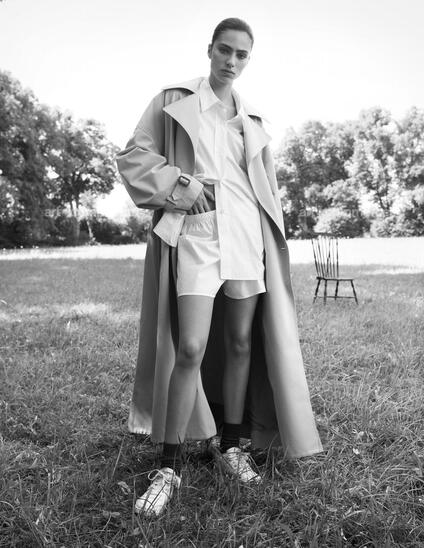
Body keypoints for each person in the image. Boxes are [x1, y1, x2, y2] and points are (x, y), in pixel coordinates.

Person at [115, 17, 323, 516]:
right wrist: (183, 186)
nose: (231, 61)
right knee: (190, 346)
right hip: (198, 237)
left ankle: (232, 446)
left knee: (241, 342)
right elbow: (134, 157)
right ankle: (168, 467)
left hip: (246, 238)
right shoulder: (174, 101)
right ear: (210, 49)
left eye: (241, 54)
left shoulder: (253, 120)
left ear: (249, 59)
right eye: (224, 50)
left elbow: (263, 188)